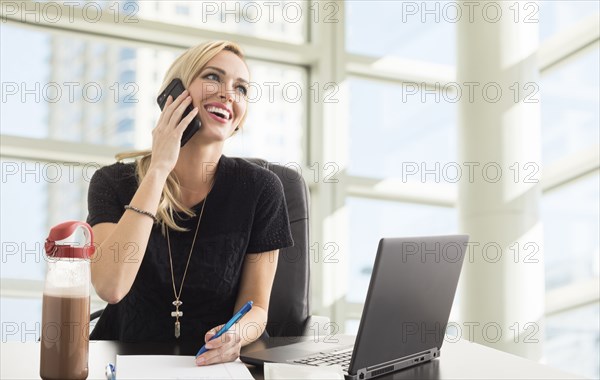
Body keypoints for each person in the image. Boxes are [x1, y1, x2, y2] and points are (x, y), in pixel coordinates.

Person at [86, 41, 293, 366]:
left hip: (214, 365)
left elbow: (258, 309)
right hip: (126, 361)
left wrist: (236, 336)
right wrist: (158, 170)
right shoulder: (113, 182)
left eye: (241, 88)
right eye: (213, 77)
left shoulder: (261, 189)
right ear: (175, 93)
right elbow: (111, 287)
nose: (228, 93)